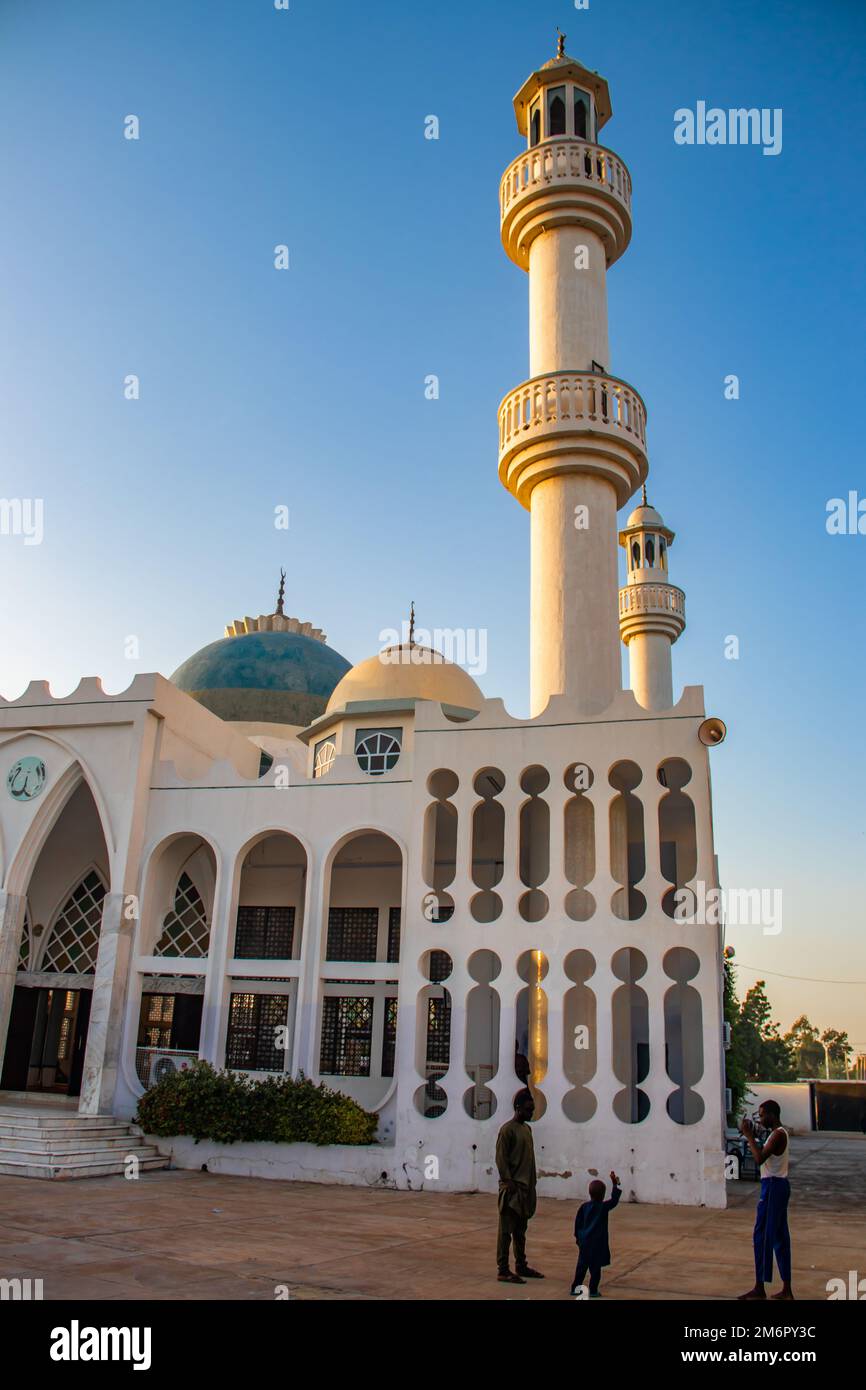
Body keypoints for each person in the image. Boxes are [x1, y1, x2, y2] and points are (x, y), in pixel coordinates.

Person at [737, 1099, 794, 1300]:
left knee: (761, 1236)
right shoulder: (777, 1133)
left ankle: (759, 1288)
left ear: (771, 1114)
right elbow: (764, 1152)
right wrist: (754, 1136)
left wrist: (749, 1135)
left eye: (762, 1115)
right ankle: (787, 1290)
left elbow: (759, 1158)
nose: (760, 1119)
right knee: (780, 1238)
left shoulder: (778, 1134)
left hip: (772, 1188)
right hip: (778, 1186)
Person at [495, 1088, 544, 1284]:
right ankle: (503, 1269)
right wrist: (509, 1183)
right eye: (528, 1109)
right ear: (518, 1108)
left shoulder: (527, 1129)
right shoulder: (507, 1130)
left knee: (520, 1231)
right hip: (512, 1190)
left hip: (525, 1189)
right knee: (506, 1231)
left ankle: (521, 1265)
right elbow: (501, 1159)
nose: (531, 1113)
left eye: (532, 1109)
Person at [571, 1171, 621, 1298]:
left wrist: (578, 1239)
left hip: (584, 1244)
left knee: (581, 1269)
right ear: (603, 1195)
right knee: (595, 1270)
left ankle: (575, 1289)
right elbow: (614, 1200)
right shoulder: (603, 1207)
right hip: (597, 1245)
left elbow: (577, 1225)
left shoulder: (584, 1207)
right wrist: (615, 1185)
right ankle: (593, 1290)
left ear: (589, 1193)